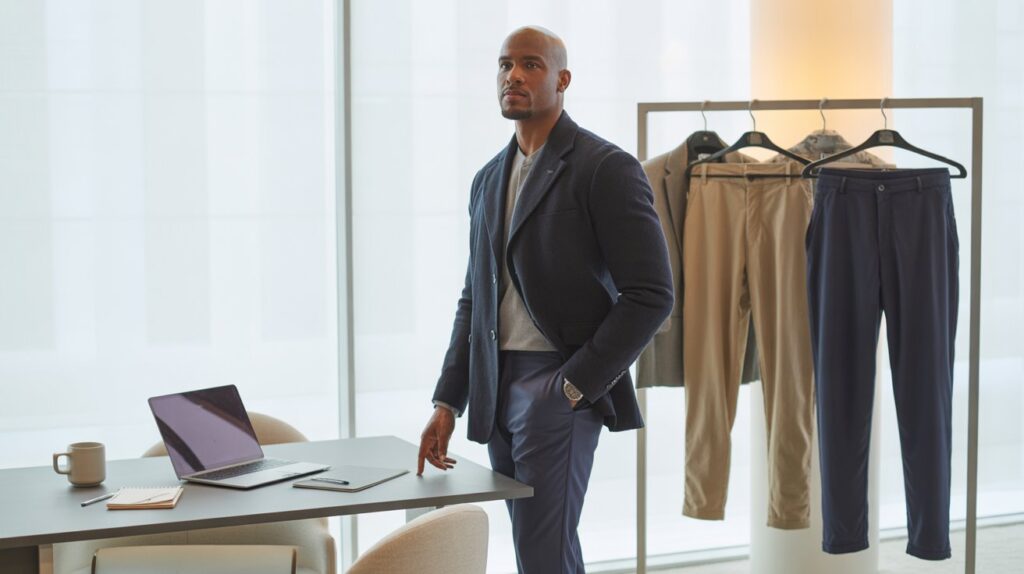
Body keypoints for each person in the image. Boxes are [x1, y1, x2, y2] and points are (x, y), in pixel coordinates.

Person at [417, 26, 673, 573]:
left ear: (563, 79)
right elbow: (475, 298)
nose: (513, 75)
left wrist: (573, 384)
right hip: (494, 386)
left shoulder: (604, 168)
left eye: (531, 64)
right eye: (505, 64)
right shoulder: (488, 179)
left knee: (541, 551)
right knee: (542, 548)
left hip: (558, 385)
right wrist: (447, 401)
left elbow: (652, 294)